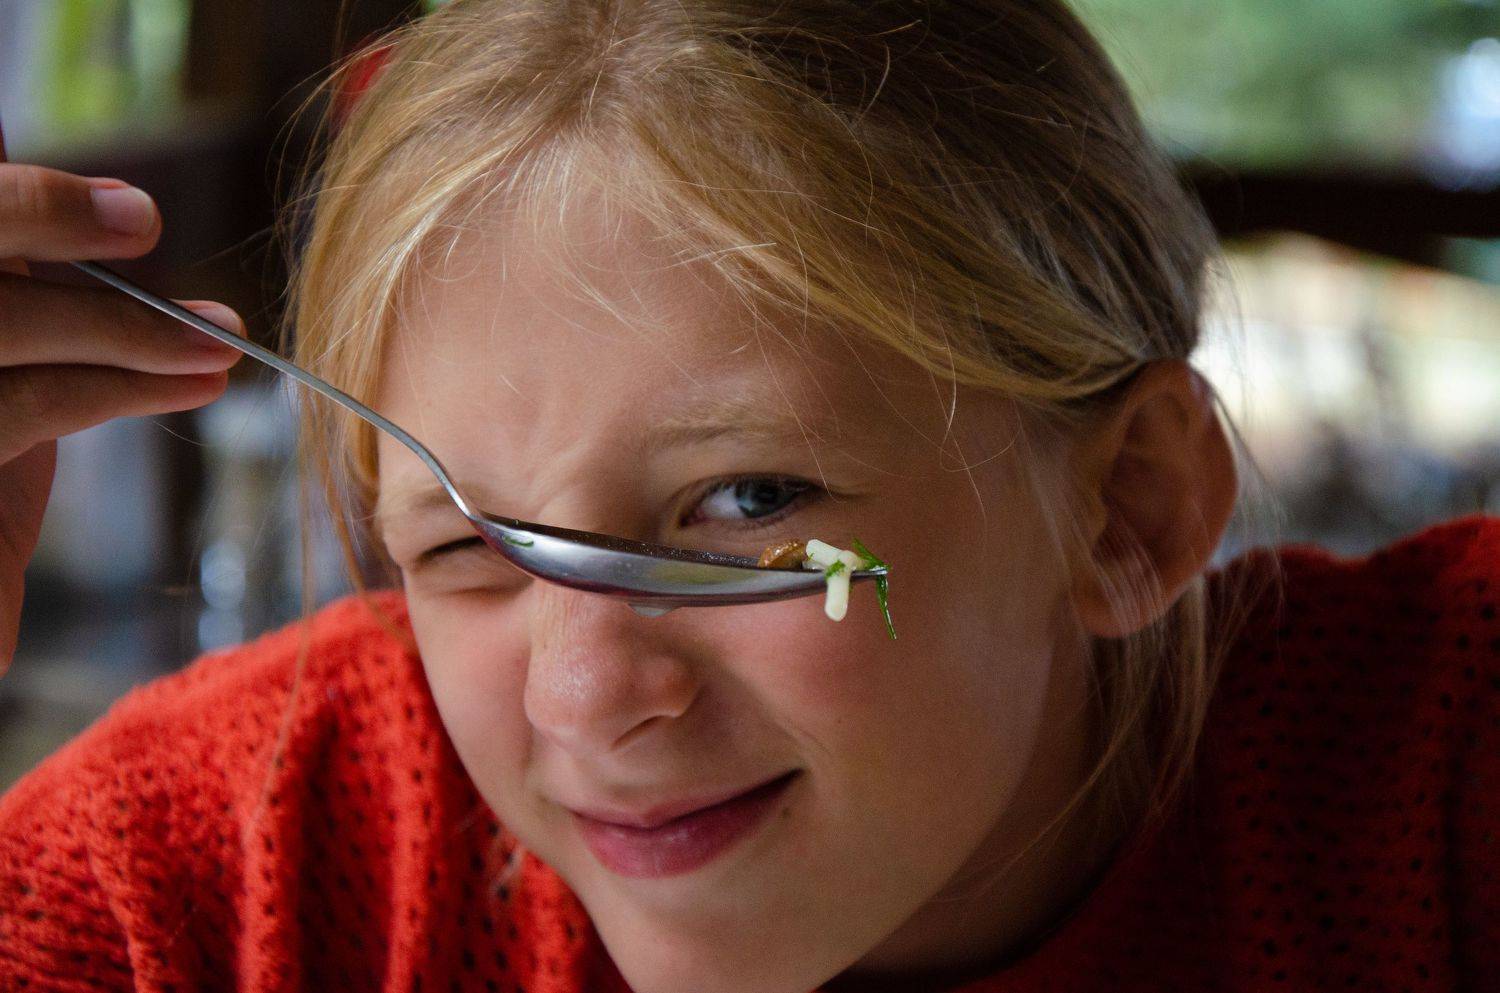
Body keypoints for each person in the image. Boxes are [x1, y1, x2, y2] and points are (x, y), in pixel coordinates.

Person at [0, 1, 1494, 990]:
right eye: (467, 544)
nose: (586, 700)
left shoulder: (1439, 777)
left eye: (745, 500)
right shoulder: (198, 880)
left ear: (1130, 510)